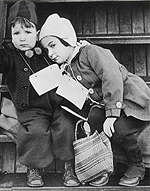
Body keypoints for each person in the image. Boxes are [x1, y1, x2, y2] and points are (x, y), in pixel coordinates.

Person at [0, 2, 80, 187]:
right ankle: (34, 168)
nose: (22, 38)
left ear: (37, 34)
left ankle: (68, 166)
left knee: (65, 126)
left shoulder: (47, 52)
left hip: (57, 105)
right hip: (32, 109)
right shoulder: (9, 56)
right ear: (11, 35)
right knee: (35, 131)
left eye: (27, 32)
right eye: (16, 33)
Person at [39, 13, 150, 187]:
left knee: (119, 128)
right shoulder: (67, 68)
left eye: (53, 45)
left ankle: (137, 166)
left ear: (67, 39)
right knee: (94, 121)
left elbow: (111, 76)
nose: (50, 53)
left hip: (129, 99)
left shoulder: (90, 52)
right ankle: (104, 167)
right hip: (104, 105)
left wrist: (112, 113)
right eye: (47, 50)